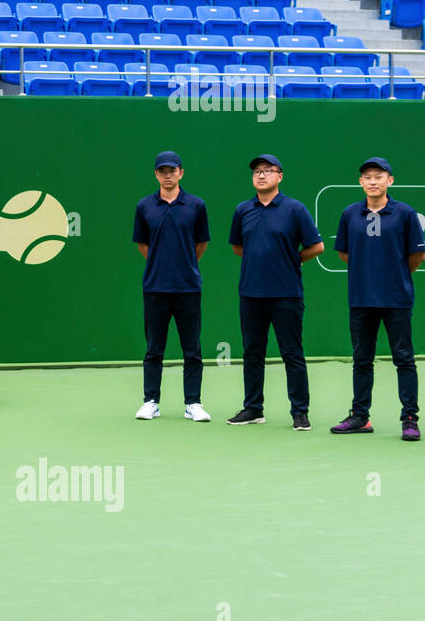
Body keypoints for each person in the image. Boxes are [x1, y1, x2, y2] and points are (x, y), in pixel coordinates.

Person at [330, 157, 425, 441]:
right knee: (361, 360)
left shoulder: (405, 213)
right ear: (361, 182)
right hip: (361, 299)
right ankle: (360, 416)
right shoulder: (349, 214)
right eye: (367, 177)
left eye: (379, 176)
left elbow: (416, 255)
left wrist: (392, 275)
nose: (373, 181)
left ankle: (409, 419)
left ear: (390, 181)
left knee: (404, 359)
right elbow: (345, 254)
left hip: (397, 299)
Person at [226, 154, 324, 430]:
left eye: (268, 170)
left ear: (279, 176)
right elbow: (237, 247)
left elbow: (317, 247)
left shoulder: (295, 209)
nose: (261, 175)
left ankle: (300, 412)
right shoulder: (243, 210)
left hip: (286, 294)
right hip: (251, 294)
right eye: (257, 171)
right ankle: (253, 408)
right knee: (252, 353)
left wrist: (290, 260)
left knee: (291, 353)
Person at [132, 151, 211, 422]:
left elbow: (201, 244)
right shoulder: (144, 206)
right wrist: (161, 264)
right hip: (155, 288)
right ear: (156, 174)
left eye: (172, 170)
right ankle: (150, 401)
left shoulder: (196, 205)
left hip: (188, 288)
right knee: (154, 349)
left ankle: (193, 403)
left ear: (181, 172)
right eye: (162, 170)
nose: (167, 175)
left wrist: (183, 264)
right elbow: (144, 245)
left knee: (192, 350)